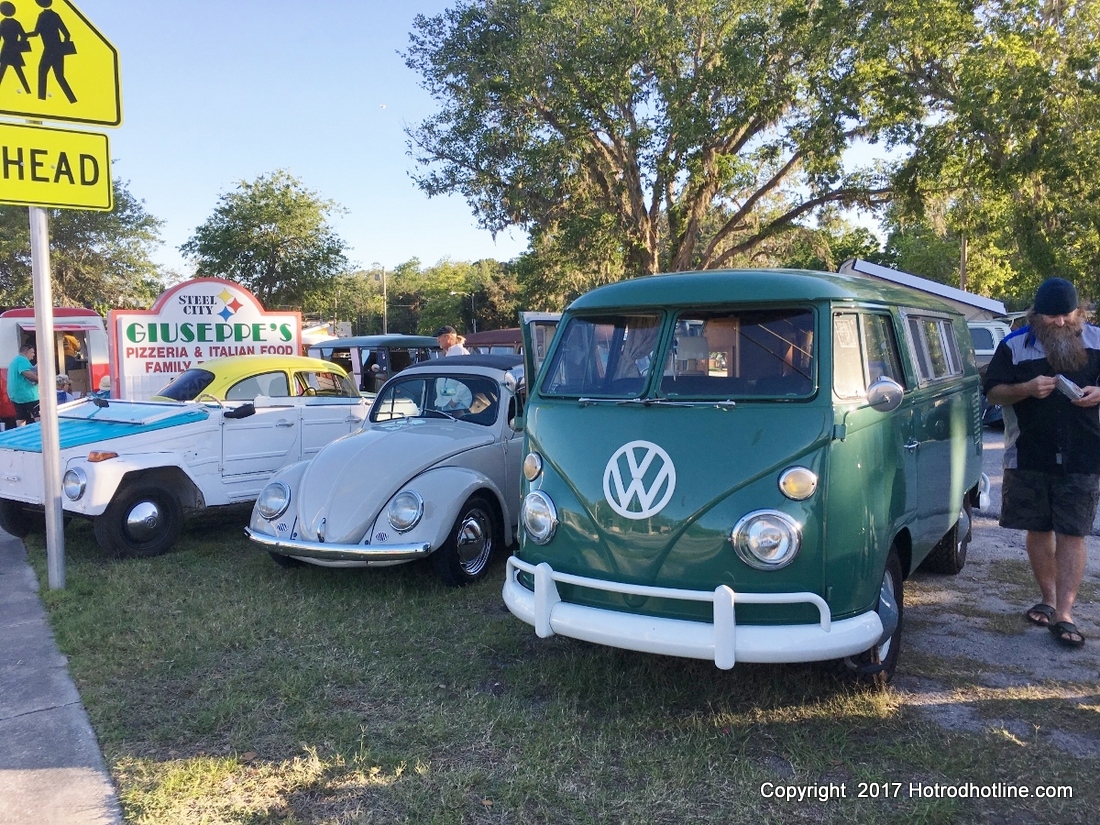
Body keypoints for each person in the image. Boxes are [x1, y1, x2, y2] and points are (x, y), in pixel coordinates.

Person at [984, 277, 1100, 649]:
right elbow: (994, 393)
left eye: (1068, 315)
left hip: (1085, 452)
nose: (1061, 323)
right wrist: (1027, 389)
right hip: (1028, 453)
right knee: (1038, 528)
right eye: (1052, 317)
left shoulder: (1098, 340)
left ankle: (1065, 613)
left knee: (1073, 532)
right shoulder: (1013, 345)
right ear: (1036, 315)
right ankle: (1048, 600)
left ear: (1078, 312)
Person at [7, 341, 39, 426]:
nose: (33, 355)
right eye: (32, 352)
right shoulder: (22, 360)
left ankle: (21, 434)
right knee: (38, 414)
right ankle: (41, 433)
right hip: (27, 395)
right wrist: (39, 379)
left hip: (15, 395)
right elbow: (25, 372)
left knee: (21, 416)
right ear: (26, 352)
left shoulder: (15, 361)